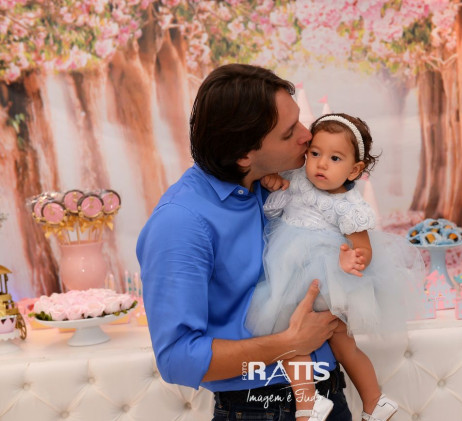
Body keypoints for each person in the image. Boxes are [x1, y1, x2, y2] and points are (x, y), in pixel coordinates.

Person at [136, 63, 353, 421]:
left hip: (329, 394)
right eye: (289, 133)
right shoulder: (180, 223)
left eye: (300, 122)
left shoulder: (282, 182)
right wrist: (288, 344)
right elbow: (176, 359)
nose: (307, 136)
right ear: (243, 155)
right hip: (260, 408)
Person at [245, 113, 426, 421]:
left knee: (292, 337)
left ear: (354, 169)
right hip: (298, 274)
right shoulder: (296, 178)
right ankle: (374, 402)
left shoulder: (349, 206)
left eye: (335, 158)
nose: (321, 164)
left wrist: (353, 258)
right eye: (315, 153)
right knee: (334, 343)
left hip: (323, 278)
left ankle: (312, 403)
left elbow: (364, 249)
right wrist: (274, 183)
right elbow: (274, 211)